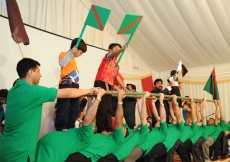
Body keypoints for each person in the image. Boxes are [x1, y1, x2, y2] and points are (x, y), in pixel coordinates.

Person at [0, 58, 97, 162]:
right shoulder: (32, 91)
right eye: (38, 71)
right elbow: (66, 93)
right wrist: (89, 90)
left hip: (5, 147)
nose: (40, 75)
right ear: (30, 72)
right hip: (20, 154)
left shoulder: (12, 91)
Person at [35, 88, 105, 162]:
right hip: (43, 148)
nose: (91, 123)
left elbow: (89, 118)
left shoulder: (86, 137)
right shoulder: (82, 133)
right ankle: (72, 85)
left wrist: (98, 98)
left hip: (51, 154)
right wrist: (90, 100)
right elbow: (90, 116)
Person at [65, 90, 126, 162]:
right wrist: (90, 100)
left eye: (123, 130)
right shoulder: (100, 134)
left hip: (85, 157)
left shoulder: (117, 140)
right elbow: (91, 120)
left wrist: (120, 99)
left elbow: (119, 122)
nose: (121, 129)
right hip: (75, 152)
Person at [98, 92, 150, 162]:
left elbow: (143, 117)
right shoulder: (131, 130)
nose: (146, 124)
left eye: (147, 125)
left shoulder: (143, 135)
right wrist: (138, 101)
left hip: (117, 156)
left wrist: (144, 98)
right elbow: (121, 117)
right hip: (110, 150)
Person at [55, 38, 87, 131]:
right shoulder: (64, 54)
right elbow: (62, 63)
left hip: (74, 86)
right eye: (80, 52)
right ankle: (62, 127)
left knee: (75, 107)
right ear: (75, 48)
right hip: (66, 85)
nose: (80, 55)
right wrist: (71, 52)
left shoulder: (73, 60)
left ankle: (70, 126)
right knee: (64, 106)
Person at [94, 43, 127, 133]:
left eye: (119, 50)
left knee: (108, 107)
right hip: (100, 82)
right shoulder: (108, 57)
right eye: (116, 49)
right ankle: (101, 129)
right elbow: (113, 54)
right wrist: (122, 49)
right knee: (101, 106)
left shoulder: (116, 63)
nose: (118, 51)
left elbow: (117, 76)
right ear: (110, 50)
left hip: (109, 85)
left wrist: (124, 86)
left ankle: (108, 128)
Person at [125, 93, 167, 162]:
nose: (158, 120)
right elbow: (142, 117)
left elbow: (162, 117)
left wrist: (161, 101)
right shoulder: (153, 130)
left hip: (142, 148)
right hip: (136, 144)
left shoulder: (162, 133)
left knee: (125, 159)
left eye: (159, 121)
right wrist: (140, 102)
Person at [142, 95, 184, 162]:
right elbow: (157, 116)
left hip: (165, 145)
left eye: (174, 116)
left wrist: (175, 102)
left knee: (149, 155)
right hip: (158, 142)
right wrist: (153, 103)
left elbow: (179, 117)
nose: (172, 117)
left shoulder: (180, 128)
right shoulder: (167, 125)